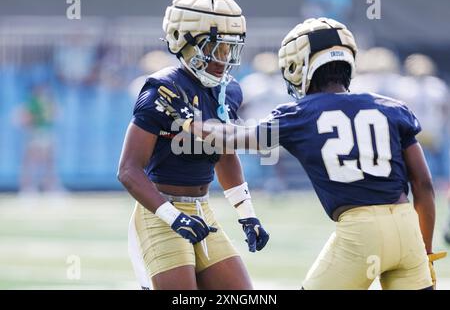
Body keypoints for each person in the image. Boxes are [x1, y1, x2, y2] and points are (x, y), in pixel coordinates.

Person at [159, 17, 447, 289]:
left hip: (361, 234)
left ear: (299, 67)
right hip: (407, 228)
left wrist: (189, 121)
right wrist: (425, 250)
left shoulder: (301, 114)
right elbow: (423, 185)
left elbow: (234, 137)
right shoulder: (392, 107)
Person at [117, 0, 269, 290]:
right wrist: (173, 218)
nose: (222, 59)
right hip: (159, 212)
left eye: (228, 49)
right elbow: (128, 170)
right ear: (182, 41)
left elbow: (225, 155)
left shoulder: (230, 90)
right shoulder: (162, 91)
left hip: (202, 209)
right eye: (214, 47)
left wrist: (247, 214)